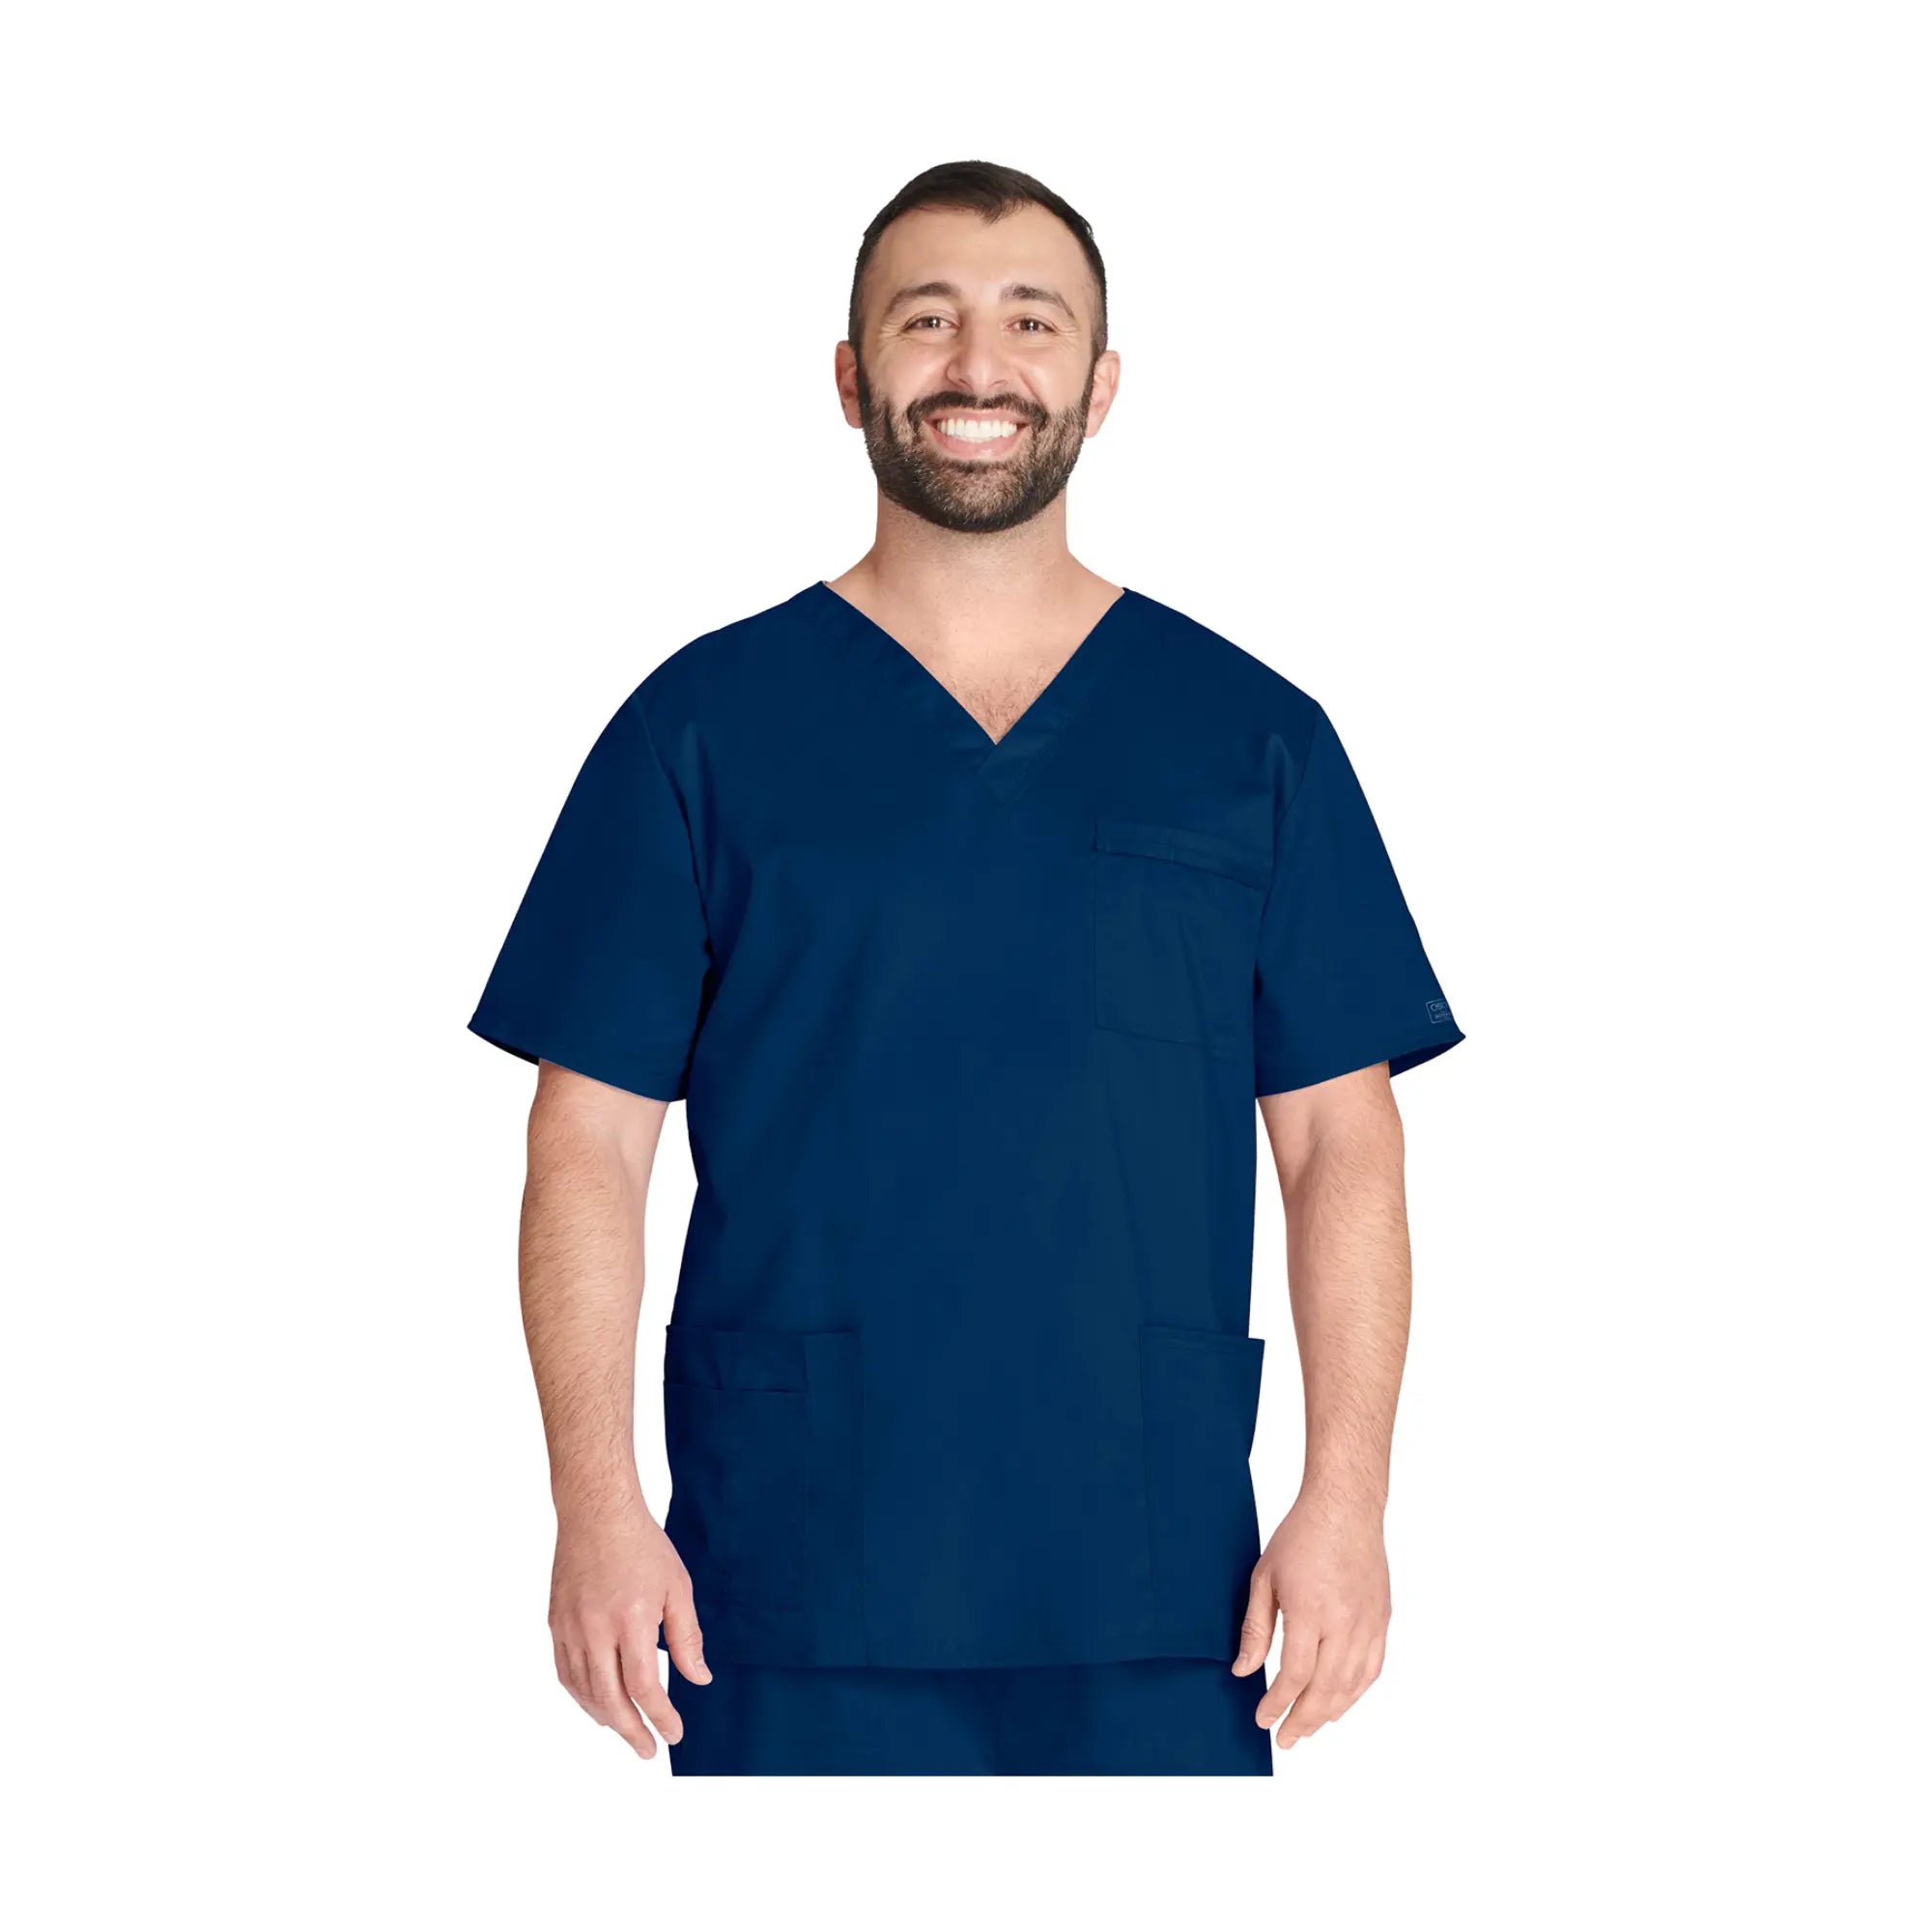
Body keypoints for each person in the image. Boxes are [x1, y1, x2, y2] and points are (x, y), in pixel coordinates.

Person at [468, 159, 1465, 1776]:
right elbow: (586, 1142)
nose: (978, 365)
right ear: (850, 377)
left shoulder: (1251, 740)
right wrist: (594, 1505)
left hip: (1162, 1582)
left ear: (1102, 384)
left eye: (1031, 322)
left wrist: (1347, 1501)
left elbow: (1341, 1144)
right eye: (926, 321)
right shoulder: (701, 729)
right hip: (786, 1573)